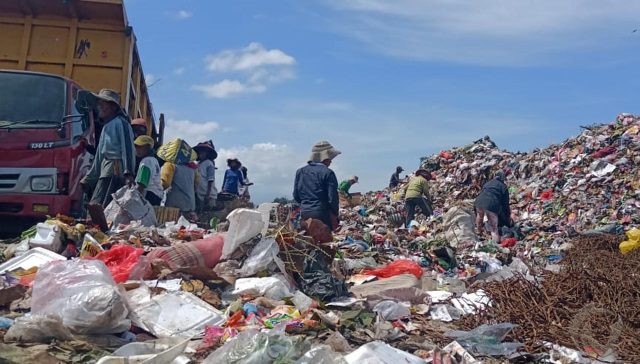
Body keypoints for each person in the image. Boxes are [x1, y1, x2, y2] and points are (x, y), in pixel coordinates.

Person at [80, 89, 135, 207]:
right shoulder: (106, 127)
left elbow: (128, 149)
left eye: (102, 103)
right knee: (101, 206)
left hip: (115, 169)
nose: (98, 106)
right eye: (98, 103)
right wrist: (88, 179)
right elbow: (99, 157)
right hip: (106, 169)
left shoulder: (121, 123)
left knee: (98, 205)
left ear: (113, 107)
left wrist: (129, 173)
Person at [293, 141, 341, 230]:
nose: (331, 161)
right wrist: (334, 214)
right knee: (325, 242)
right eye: (329, 157)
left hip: (304, 213)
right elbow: (333, 198)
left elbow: (296, 195)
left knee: (309, 242)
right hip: (322, 214)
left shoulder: (300, 172)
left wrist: (306, 205)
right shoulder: (328, 172)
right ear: (324, 157)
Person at [161, 144, 199, 219]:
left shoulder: (170, 165)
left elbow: (165, 183)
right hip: (190, 205)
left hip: (174, 206)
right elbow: (196, 185)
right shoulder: (194, 168)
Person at [474, 170, 511, 243]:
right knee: (494, 228)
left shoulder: (488, 183)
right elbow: (505, 204)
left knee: (480, 216)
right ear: (502, 178)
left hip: (479, 201)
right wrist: (507, 218)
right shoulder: (503, 187)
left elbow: (483, 192)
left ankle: (478, 233)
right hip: (492, 204)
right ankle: (496, 244)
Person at [133, 135, 163, 206]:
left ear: (148, 147)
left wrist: (133, 197)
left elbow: (142, 183)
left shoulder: (146, 161)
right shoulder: (154, 160)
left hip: (148, 195)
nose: (137, 149)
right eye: (136, 146)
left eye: (140, 147)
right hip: (156, 195)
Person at [193, 140, 218, 211]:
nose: (201, 154)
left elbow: (210, 180)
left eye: (203, 152)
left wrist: (208, 194)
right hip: (199, 193)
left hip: (208, 195)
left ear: (207, 153)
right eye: (200, 152)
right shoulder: (198, 164)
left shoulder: (209, 164)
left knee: (208, 214)